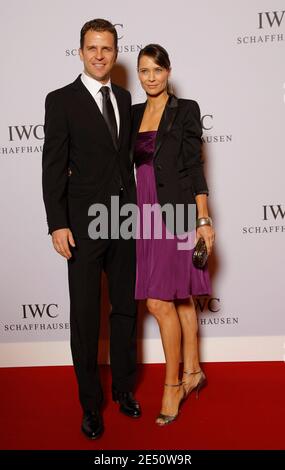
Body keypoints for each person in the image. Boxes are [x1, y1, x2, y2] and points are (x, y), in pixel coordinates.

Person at [42, 19, 141, 440]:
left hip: (124, 219)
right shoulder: (60, 100)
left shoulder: (122, 95)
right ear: (80, 52)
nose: (100, 55)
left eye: (107, 48)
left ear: (115, 52)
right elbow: (51, 167)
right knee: (85, 318)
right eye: (92, 48)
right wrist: (58, 223)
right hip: (82, 225)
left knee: (124, 309)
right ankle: (90, 405)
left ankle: (122, 388)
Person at [131, 44, 215, 426]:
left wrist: (203, 220)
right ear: (138, 73)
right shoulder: (132, 114)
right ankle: (194, 371)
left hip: (177, 211)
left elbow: (194, 168)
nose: (151, 77)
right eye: (144, 71)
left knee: (159, 301)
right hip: (143, 211)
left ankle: (172, 385)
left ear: (168, 71)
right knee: (177, 299)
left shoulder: (186, 110)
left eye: (157, 70)